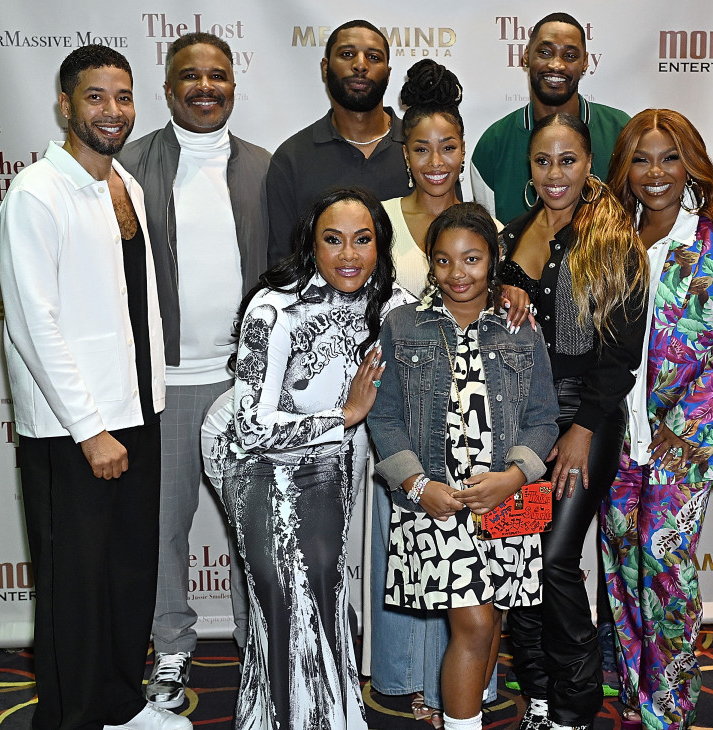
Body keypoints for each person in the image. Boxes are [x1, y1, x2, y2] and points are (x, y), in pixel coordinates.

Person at [0, 45, 188, 730]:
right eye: (97, 97)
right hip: (73, 430)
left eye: (124, 96)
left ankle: (119, 703)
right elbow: (33, 325)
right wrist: (89, 429)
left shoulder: (125, 185)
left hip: (136, 409)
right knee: (74, 587)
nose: (113, 111)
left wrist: (138, 411)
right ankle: (71, 718)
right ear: (66, 104)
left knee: (128, 573)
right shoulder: (35, 195)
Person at [202, 188, 407, 730]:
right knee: (283, 598)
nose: (348, 255)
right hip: (258, 464)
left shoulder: (385, 300)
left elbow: (452, 301)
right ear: (310, 245)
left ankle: (327, 719)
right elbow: (250, 423)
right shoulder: (274, 307)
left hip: (334, 466)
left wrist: (508, 291)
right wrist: (344, 416)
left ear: (380, 246)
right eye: (332, 240)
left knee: (322, 595)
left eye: (363, 240)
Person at [369, 58, 531, 727]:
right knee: (420, 562)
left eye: (448, 147)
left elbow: (527, 362)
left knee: (496, 589)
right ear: (402, 153)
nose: (435, 161)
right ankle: (413, 684)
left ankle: (470, 698)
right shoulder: (376, 218)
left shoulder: (489, 223)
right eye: (420, 148)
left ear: (464, 151)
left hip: (496, 451)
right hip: (413, 428)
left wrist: (515, 286)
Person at [115, 32, 270, 708]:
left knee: (254, 531)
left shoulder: (269, 168)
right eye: (190, 76)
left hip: (246, 385)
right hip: (164, 386)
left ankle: (258, 646)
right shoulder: (127, 165)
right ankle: (173, 652)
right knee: (162, 531)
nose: (205, 87)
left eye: (217, 75)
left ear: (234, 83)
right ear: (169, 86)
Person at [601, 109, 713, 729]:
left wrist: (686, 424)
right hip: (618, 436)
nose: (655, 172)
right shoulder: (614, 233)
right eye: (642, 159)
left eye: (669, 157)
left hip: (685, 440)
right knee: (621, 566)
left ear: (692, 160)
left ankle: (669, 706)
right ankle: (635, 695)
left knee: (664, 568)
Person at [369, 202, 560, 730]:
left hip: (506, 499)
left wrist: (515, 476)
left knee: (490, 622)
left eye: (472, 259)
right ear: (429, 264)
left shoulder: (520, 324)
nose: (459, 274)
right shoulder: (403, 325)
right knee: (475, 625)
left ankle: (462, 716)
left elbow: (544, 418)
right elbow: (383, 418)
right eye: (444, 261)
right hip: (439, 505)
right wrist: (416, 483)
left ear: (494, 258)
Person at [501, 113, 648, 730]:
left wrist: (584, 430)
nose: (555, 173)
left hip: (584, 417)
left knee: (555, 561)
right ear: (530, 169)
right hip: (515, 419)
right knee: (517, 558)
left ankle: (576, 703)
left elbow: (620, 358)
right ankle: (538, 691)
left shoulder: (614, 240)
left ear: (589, 165)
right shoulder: (514, 232)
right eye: (543, 161)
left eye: (567, 160)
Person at [265, 20, 410, 263]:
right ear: (325, 68)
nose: (360, 65)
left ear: (388, 72)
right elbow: (283, 262)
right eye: (347, 54)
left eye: (373, 57)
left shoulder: (423, 149)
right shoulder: (292, 158)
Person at [470, 12, 630, 224]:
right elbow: (488, 238)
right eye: (545, 52)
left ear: (585, 63)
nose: (557, 65)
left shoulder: (620, 130)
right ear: (526, 56)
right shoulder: (493, 144)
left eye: (570, 56)